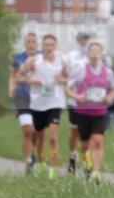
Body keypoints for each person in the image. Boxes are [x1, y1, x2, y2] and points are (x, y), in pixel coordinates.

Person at [66, 42, 114, 181]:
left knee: (98, 141)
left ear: (101, 54)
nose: (95, 54)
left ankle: (96, 172)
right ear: (88, 54)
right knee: (84, 145)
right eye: (92, 52)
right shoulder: (80, 70)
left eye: (98, 52)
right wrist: (77, 96)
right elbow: (69, 88)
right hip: (83, 113)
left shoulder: (108, 72)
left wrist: (110, 97)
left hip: (99, 113)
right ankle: (87, 164)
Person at [18, 34, 68, 177]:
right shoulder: (33, 61)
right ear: (42, 46)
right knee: (39, 137)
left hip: (55, 103)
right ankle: (41, 164)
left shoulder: (61, 61)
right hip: (38, 105)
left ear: (56, 46)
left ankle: (53, 169)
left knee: (53, 137)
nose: (49, 47)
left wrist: (62, 79)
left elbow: (69, 79)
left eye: (52, 45)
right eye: (46, 45)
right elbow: (19, 77)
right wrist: (30, 80)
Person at [9, 32, 40, 172]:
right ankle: (28, 162)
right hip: (22, 96)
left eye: (33, 41)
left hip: (39, 98)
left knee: (36, 132)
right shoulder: (18, 58)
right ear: (24, 43)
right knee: (27, 130)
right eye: (28, 41)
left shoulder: (42, 58)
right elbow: (13, 75)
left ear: (37, 43)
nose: (31, 43)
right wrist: (11, 87)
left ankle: (33, 154)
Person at [65, 32, 92, 174]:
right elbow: (65, 74)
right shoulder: (71, 56)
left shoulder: (94, 55)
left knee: (86, 135)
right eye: (82, 38)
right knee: (75, 132)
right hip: (74, 100)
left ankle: (87, 164)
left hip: (90, 102)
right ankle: (72, 156)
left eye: (86, 38)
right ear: (77, 40)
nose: (84, 41)